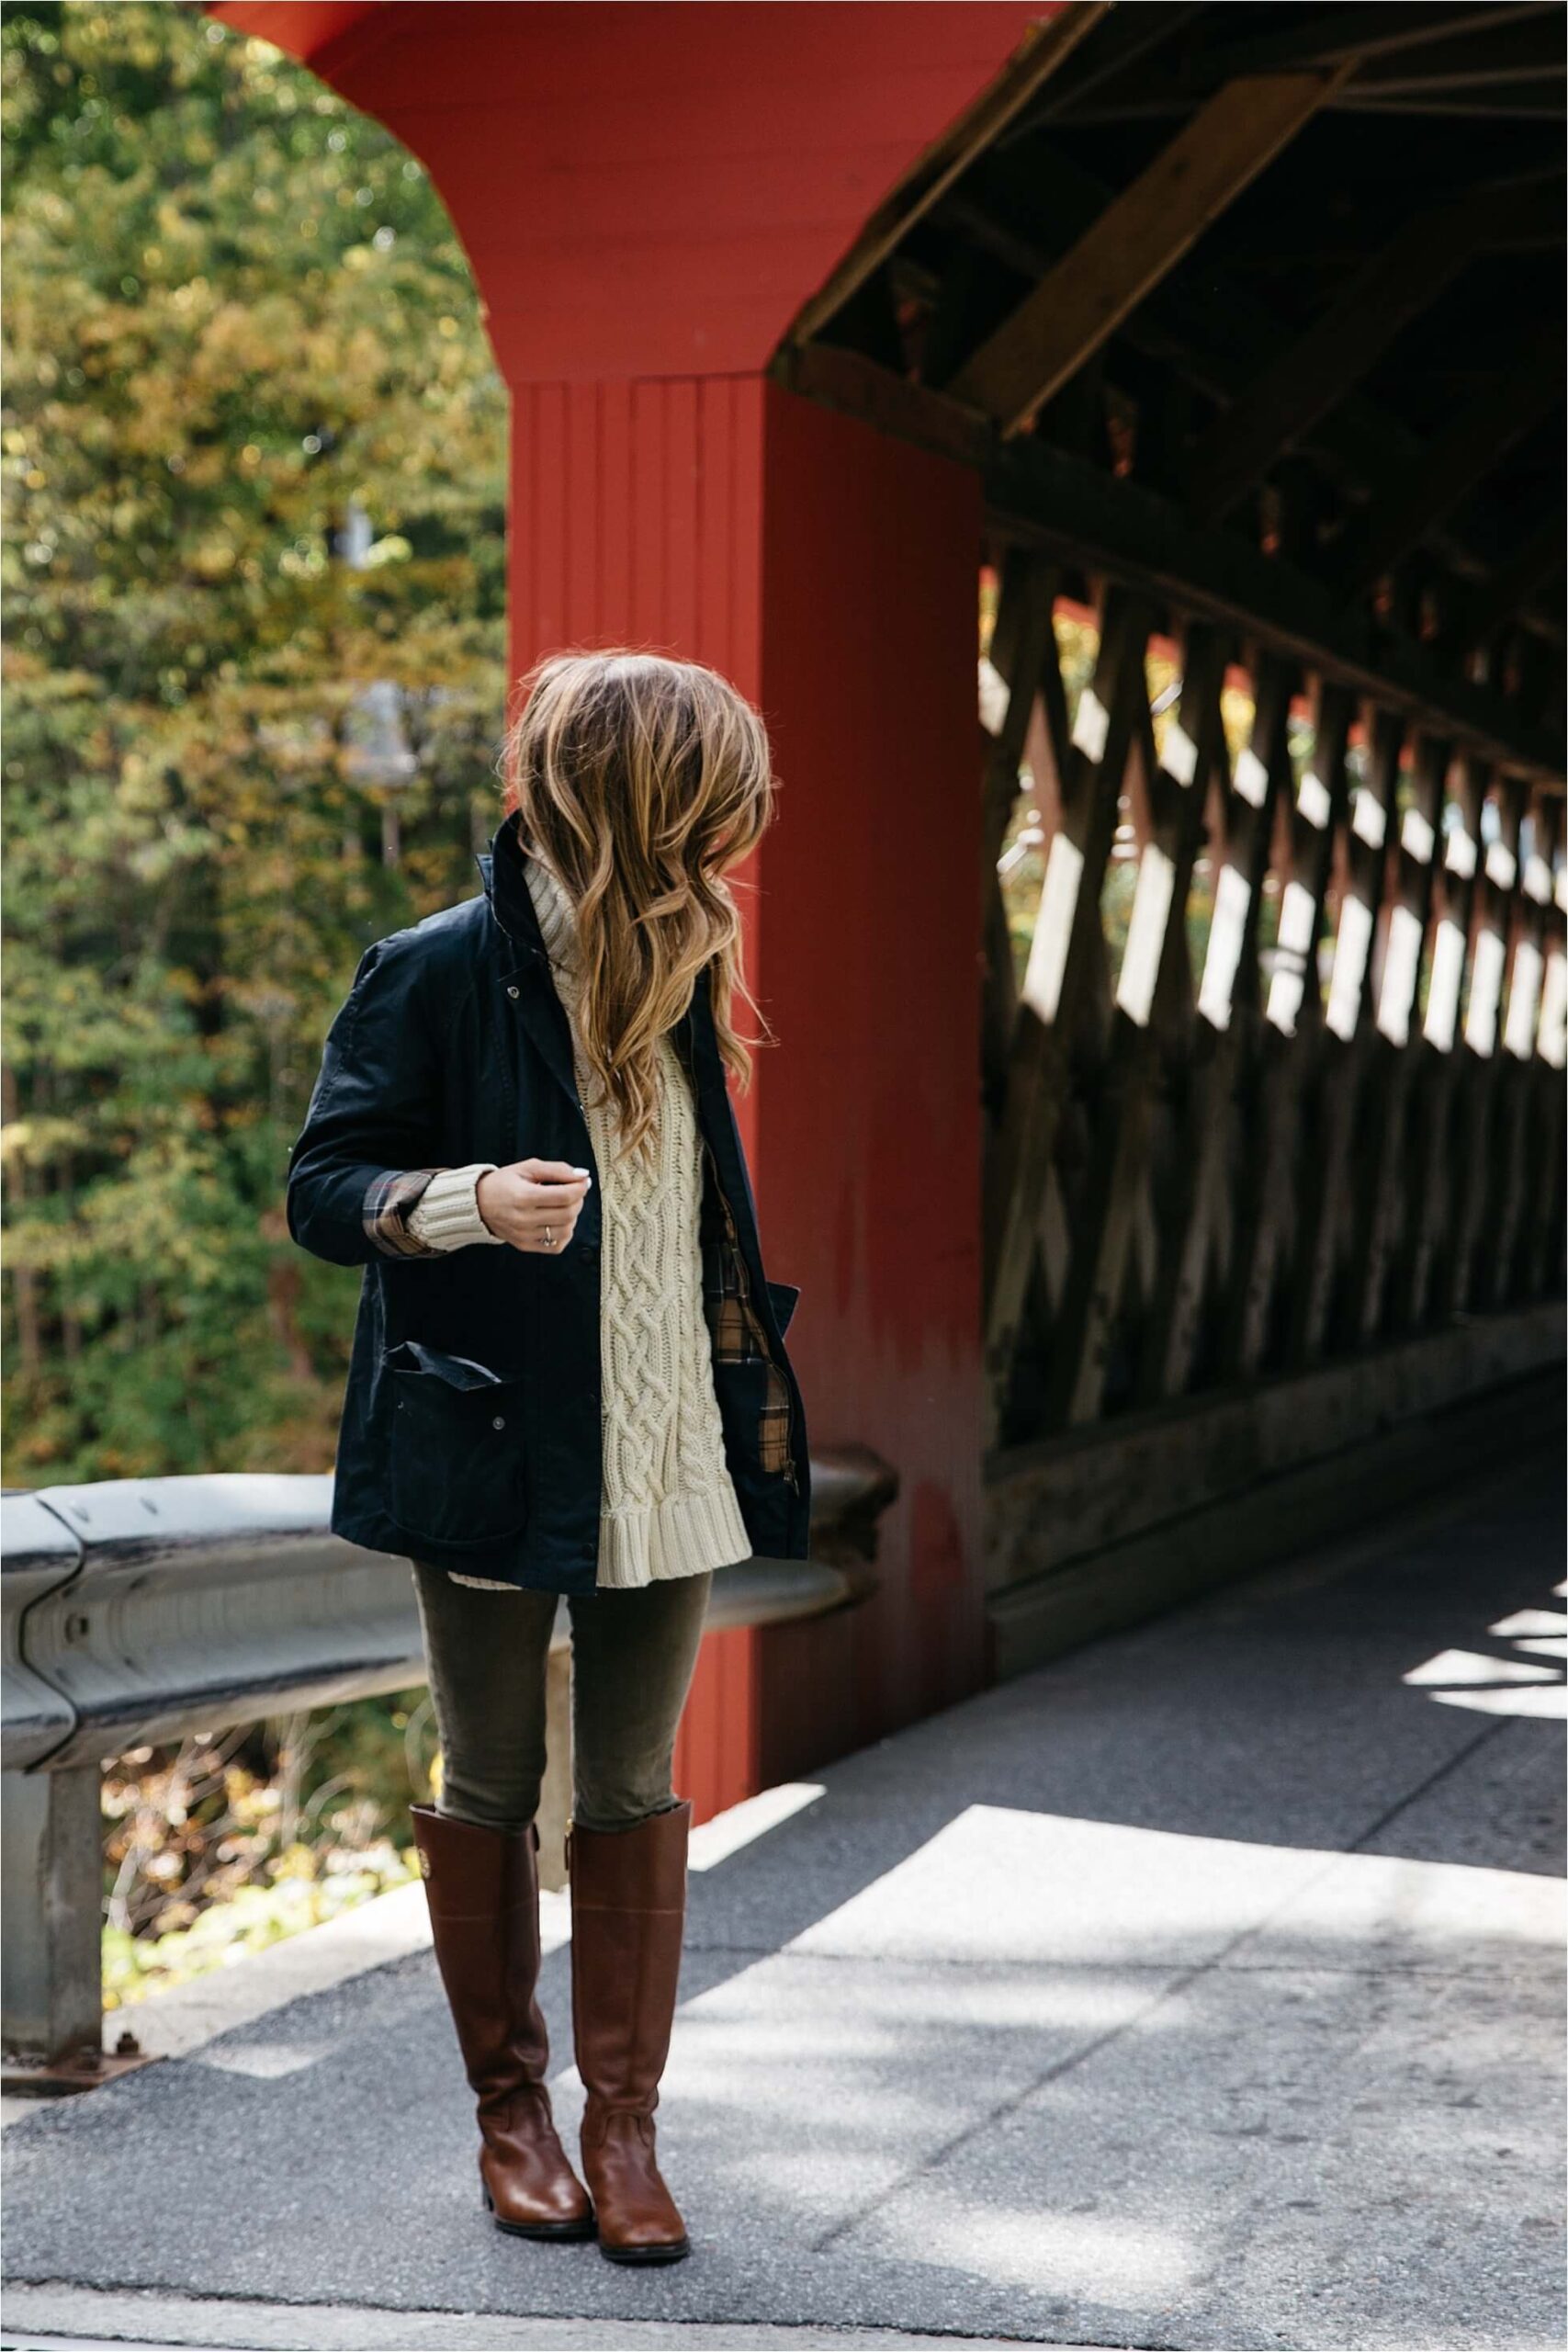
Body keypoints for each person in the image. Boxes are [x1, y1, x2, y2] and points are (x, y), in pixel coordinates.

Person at [285, 650, 811, 2265]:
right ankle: (511, 2120)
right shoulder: (435, 970)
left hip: (667, 1445)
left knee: (638, 1788)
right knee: (492, 1785)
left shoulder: (685, 973)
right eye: (714, 802)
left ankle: (623, 2129)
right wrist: (463, 1203)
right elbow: (324, 1190)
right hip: (492, 1447)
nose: (736, 836)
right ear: (640, 802)